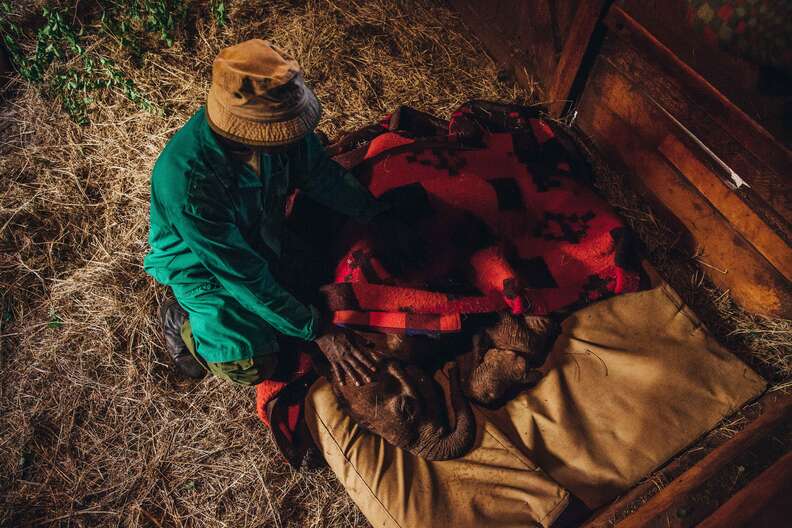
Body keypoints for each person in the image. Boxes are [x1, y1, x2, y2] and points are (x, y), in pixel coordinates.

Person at [144, 39, 413, 387]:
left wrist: (373, 213)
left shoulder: (276, 127)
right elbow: (241, 275)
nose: (292, 137)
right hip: (207, 272)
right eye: (282, 132)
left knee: (322, 273)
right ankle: (185, 325)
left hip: (264, 233)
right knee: (255, 363)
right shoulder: (189, 186)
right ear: (248, 131)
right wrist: (319, 332)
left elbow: (317, 172)